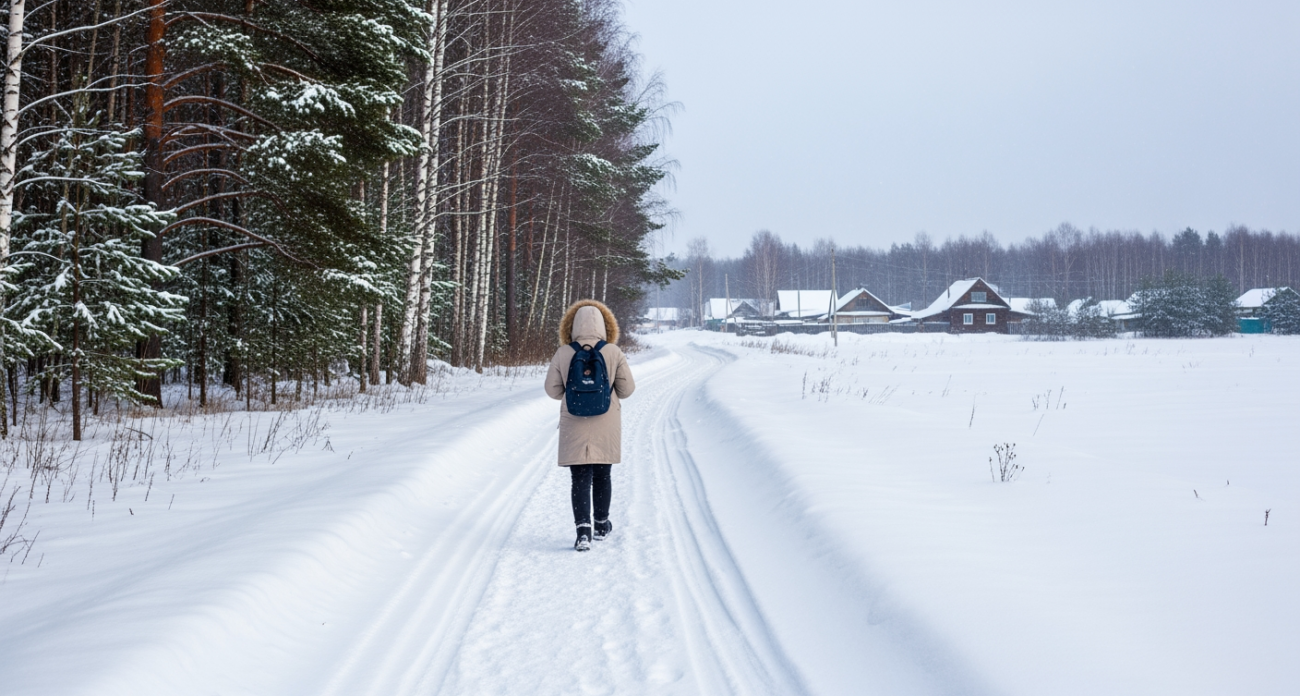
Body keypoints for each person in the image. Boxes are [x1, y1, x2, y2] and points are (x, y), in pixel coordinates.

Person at [544, 300, 635, 552]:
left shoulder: (564, 353)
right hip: (606, 422)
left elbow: (552, 390)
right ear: (606, 325)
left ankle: (582, 531)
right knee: (602, 474)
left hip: (574, 422)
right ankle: (602, 524)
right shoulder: (613, 352)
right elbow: (627, 390)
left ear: (571, 325)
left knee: (580, 477)